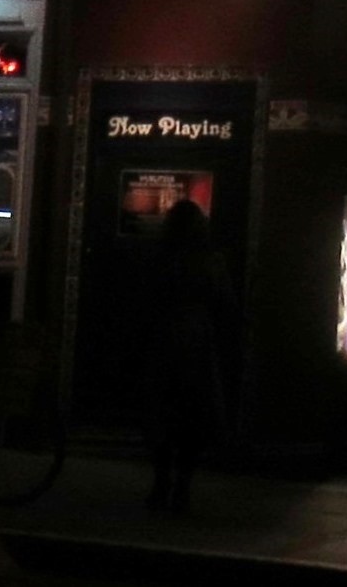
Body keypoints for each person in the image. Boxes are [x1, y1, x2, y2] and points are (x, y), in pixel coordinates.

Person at [143, 199, 236, 513]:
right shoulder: (210, 260)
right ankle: (182, 486)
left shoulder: (160, 258)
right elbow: (223, 300)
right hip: (197, 340)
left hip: (165, 338)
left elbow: (146, 296)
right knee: (192, 415)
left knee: (164, 412)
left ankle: (161, 483)